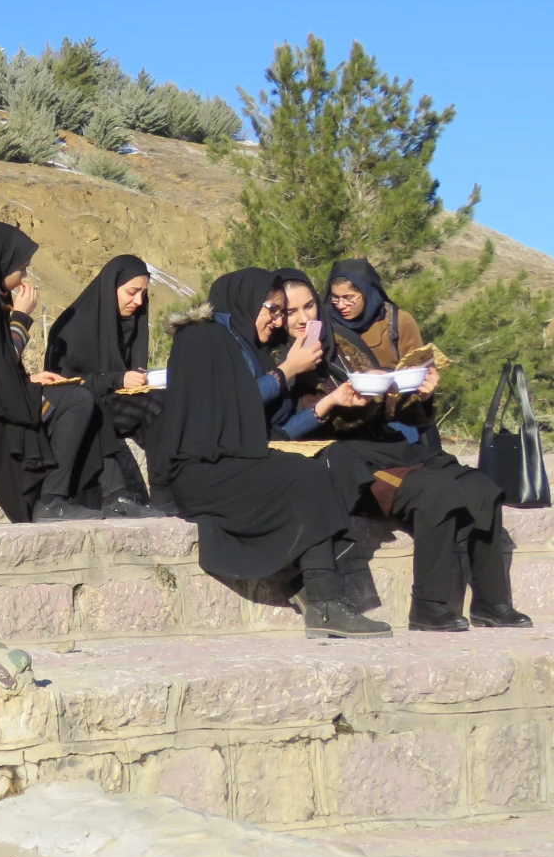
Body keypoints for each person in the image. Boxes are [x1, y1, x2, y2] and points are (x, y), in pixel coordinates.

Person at [277, 269, 528, 631]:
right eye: (291, 311)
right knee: (434, 490)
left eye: (309, 306)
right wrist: (331, 396)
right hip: (345, 459)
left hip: (386, 445)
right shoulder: (279, 359)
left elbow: (390, 407)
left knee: (482, 488)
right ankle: (429, 607)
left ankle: (492, 602)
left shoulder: (341, 344)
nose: (303, 318)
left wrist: (418, 393)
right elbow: (288, 427)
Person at [154, 268, 385, 637]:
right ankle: (325, 603)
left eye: (281, 312)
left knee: (340, 463)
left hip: (238, 459)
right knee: (305, 476)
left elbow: (269, 433)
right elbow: (227, 408)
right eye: (273, 310)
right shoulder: (200, 339)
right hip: (201, 469)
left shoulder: (250, 348)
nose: (278, 321)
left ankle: (307, 579)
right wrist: (286, 370)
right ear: (245, 302)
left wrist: (328, 403)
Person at [0, 221, 130, 523]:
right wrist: (21, 318)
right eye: (21, 268)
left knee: (82, 397)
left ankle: (117, 498)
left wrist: (27, 379)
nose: (24, 276)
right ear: (1, 263)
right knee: (76, 401)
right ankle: (51, 501)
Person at [45, 253, 162, 511]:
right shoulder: (74, 326)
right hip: (81, 406)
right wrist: (116, 378)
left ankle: (167, 493)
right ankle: (117, 496)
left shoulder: (131, 323)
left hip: (116, 401)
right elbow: (62, 384)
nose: (138, 301)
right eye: (132, 292)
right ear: (111, 288)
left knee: (163, 404)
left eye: (143, 294)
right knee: (92, 406)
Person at [323, 258, 439, 446]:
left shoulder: (398, 322)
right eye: (335, 298)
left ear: (367, 292)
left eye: (349, 298)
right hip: (343, 422)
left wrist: (425, 391)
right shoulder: (325, 325)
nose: (341, 305)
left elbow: (419, 368)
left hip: (396, 420)